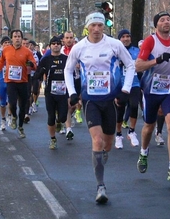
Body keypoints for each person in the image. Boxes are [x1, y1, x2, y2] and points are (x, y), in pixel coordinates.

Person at [64, 12, 135, 204]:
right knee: (97, 141)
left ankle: (101, 157)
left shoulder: (114, 44)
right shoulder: (79, 48)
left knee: (107, 145)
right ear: (87, 27)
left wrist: (126, 90)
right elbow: (68, 70)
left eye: (100, 26)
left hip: (111, 101)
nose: (96, 29)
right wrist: (72, 92)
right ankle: (100, 186)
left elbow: (130, 65)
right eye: (93, 26)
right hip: (90, 101)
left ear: (104, 27)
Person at [135, 11, 170, 181]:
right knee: (149, 126)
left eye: (169, 19)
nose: (166, 22)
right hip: (151, 89)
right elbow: (138, 66)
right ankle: (143, 152)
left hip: (169, 87)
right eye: (162, 20)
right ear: (156, 25)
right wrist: (157, 60)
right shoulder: (151, 41)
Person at [0, 30, 37, 139]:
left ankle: (21, 127)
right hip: (10, 81)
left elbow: (34, 65)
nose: (17, 38)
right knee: (12, 103)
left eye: (19, 36)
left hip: (23, 82)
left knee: (22, 106)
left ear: (21, 38)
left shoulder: (27, 51)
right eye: (15, 36)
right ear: (12, 38)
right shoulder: (6, 50)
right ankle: (13, 117)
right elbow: (1, 62)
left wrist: (31, 64)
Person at [37, 36, 70, 149]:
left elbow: (72, 75)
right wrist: (41, 72)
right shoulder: (46, 60)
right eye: (53, 43)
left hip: (63, 92)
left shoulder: (66, 59)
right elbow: (37, 75)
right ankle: (52, 139)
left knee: (63, 117)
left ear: (61, 46)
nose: (56, 45)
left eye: (57, 43)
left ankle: (59, 121)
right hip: (50, 92)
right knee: (50, 116)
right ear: (50, 46)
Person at [115, 29, 141, 149]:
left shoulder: (137, 51)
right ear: (119, 39)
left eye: (128, 36)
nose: (126, 39)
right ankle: (118, 134)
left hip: (134, 84)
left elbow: (142, 65)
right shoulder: (115, 52)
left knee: (134, 105)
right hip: (120, 85)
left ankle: (131, 131)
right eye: (123, 37)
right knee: (120, 109)